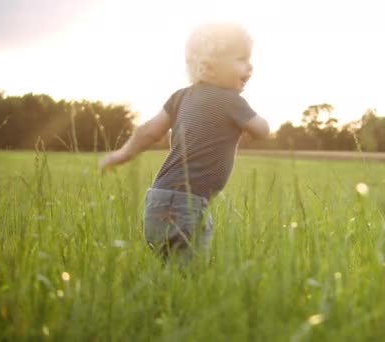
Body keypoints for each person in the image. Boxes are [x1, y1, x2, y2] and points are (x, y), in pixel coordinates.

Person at [98, 22, 270, 266]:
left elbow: (148, 132)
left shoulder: (180, 97)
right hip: (188, 207)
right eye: (241, 59)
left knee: (171, 274)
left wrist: (120, 155)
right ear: (209, 67)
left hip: (156, 202)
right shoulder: (232, 102)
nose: (250, 66)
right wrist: (249, 125)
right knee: (191, 278)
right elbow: (262, 130)